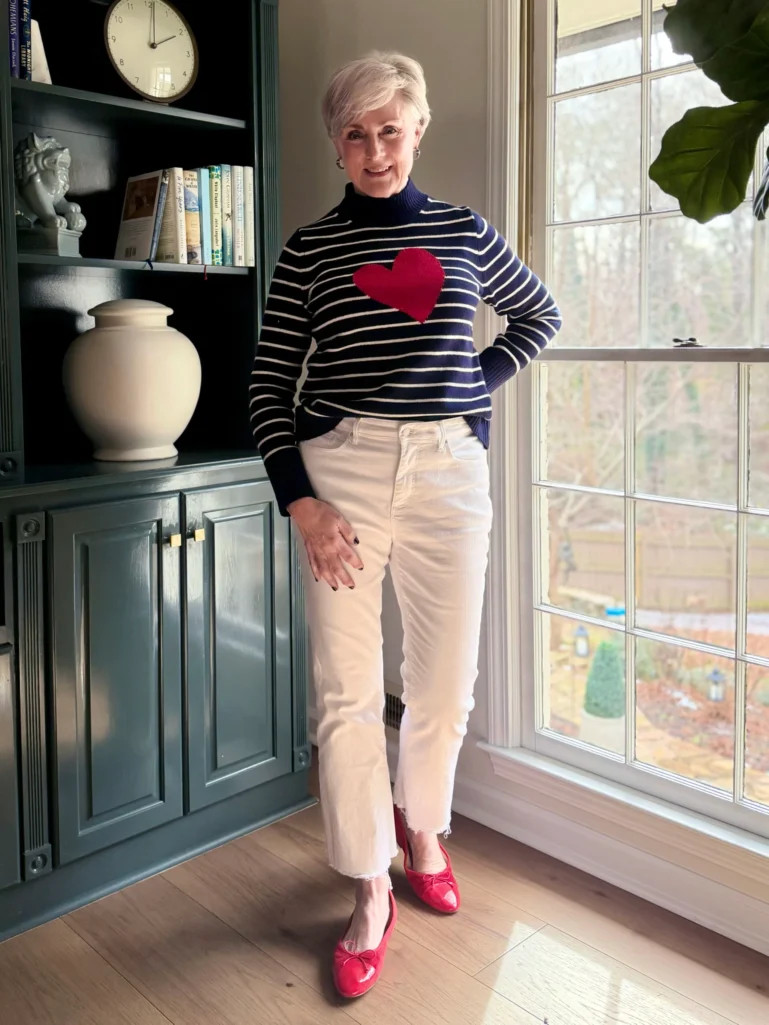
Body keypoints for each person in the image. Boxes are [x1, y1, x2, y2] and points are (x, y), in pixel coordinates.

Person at [250, 51, 561, 999]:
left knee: (442, 682)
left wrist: (472, 392)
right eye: (354, 132)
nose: (374, 148)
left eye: (390, 129)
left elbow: (536, 315)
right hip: (337, 471)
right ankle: (367, 888)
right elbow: (267, 387)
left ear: (416, 130)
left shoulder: (463, 231)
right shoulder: (308, 250)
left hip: (449, 477)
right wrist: (300, 502)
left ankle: (421, 827)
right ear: (335, 143)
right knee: (345, 692)